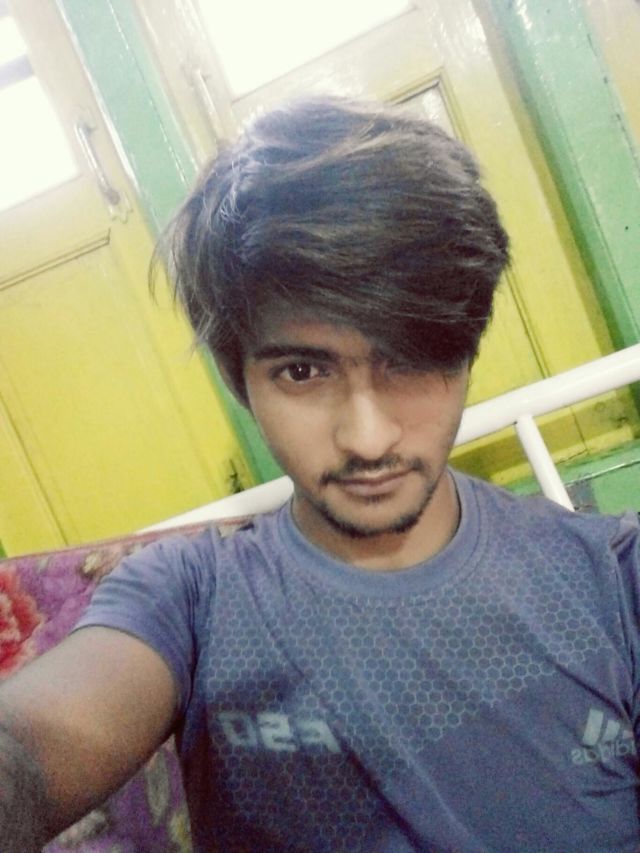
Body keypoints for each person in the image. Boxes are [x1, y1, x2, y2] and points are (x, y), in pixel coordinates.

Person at [1, 95, 639, 852]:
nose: (367, 438)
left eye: (410, 359)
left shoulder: (614, 580)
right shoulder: (189, 598)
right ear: (240, 378)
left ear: (466, 351)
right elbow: (29, 751)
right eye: (303, 371)